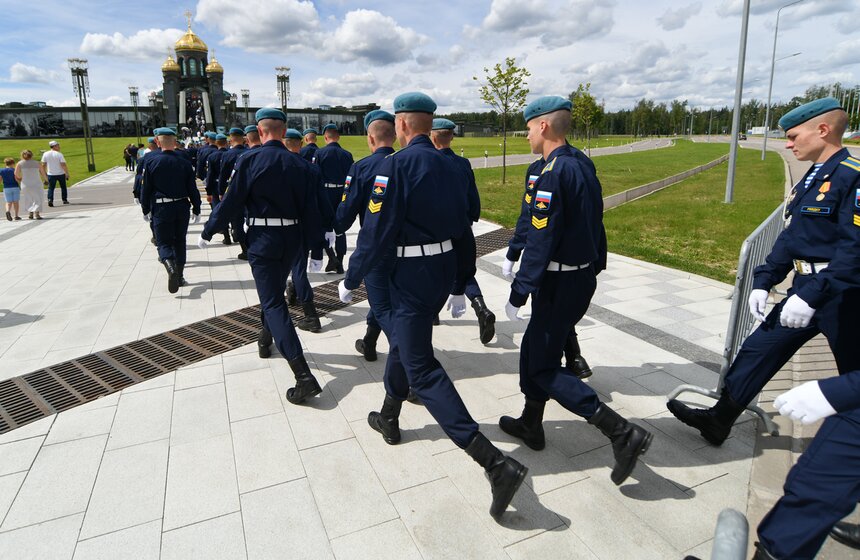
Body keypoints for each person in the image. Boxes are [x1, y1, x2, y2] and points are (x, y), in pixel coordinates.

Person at [338, 92, 527, 519]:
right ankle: (389, 414)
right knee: (407, 344)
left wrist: (351, 279)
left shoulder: (393, 167)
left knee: (421, 367)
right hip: (441, 273)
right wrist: (461, 280)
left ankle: (493, 463)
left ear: (402, 125)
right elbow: (464, 228)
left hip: (408, 278)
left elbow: (375, 232)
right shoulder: (452, 165)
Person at [667, 97, 860, 449]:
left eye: (793, 135)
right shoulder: (813, 177)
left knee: (854, 376)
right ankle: (719, 420)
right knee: (757, 350)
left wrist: (814, 294)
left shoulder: (852, 176)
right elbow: (793, 236)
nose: (788, 143)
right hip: (804, 289)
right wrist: (763, 280)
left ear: (823, 129)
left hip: (843, 297)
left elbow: (855, 250)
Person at [499, 96, 651, 486]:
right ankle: (532, 423)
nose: (527, 134)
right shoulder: (580, 162)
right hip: (577, 277)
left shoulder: (553, 173)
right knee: (535, 351)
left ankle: (620, 432)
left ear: (545, 126)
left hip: (558, 281)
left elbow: (542, 239)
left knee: (542, 366)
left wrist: (519, 291)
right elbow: (594, 223)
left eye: (530, 127)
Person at [198, 108, 326, 404]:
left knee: (272, 302)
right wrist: (316, 249)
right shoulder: (302, 164)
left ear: (258, 129)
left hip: (264, 241)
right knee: (273, 296)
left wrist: (209, 231)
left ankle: (303, 376)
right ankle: (265, 339)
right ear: (283, 131)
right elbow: (312, 212)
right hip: (292, 239)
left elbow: (231, 203)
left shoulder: (250, 160)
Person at [501, 158, 594, 378]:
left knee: (541, 349)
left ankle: (566, 361)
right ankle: (566, 359)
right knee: (546, 317)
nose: (527, 136)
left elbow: (592, 217)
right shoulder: (536, 169)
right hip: (545, 264)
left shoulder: (577, 164)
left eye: (530, 129)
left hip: (565, 261)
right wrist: (514, 251)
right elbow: (528, 214)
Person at [334, 110, 397, 361]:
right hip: (407, 249)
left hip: (376, 250)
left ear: (370, 138)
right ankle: (369, 342)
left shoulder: (361, 167)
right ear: (394, 135)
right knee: (384, 298)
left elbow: (345, 213)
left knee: (383, 307)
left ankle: (411, 371)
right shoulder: (406, 163)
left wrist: (333, 227)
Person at [430, 118, 496, 344]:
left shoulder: (429, 162)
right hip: (463, 227)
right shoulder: (463, 163)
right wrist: (470, 219)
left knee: (434, 272)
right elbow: (472, 197)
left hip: (438, 231)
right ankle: (481, 308)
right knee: (465, 271)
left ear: (432, 136)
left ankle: (432, 313)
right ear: (452, 137)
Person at [139, 127, 201, 294]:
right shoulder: (184, 161)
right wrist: (197, 207)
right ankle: (179, 275)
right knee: (180, 241)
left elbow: (146, 189)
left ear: (157, 142)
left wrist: (145, 208)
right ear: (175, 142)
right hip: (182, 206)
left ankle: (170, 267)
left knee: (164, 242)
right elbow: (192, 188)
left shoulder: (151, 161)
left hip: (161, 206)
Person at [282, 127, 331, 333]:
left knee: (288, 270)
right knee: (298, 268)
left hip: (277, 227)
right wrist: (329, 226)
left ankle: (311, 315)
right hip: (302, 226)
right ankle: (294, 293)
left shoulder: (277, 164)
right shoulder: (311, 169)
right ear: (300, 144)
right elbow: (322, 202)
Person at [314, 123, 354, 273]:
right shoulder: (347, 154)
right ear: (338, 137)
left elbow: (315, 175)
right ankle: (341, 262)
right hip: (342, 193)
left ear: (325, 137)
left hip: (325, 193)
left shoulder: (319, 153)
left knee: (324, 227)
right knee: (340, 229)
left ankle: (332, 257)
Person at [218, 127, 249, 259]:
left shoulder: (227, 155)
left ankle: (245, 249)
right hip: (250, 191)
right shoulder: (250, 152)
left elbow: (223, 175)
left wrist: (220, 192)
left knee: (237, 221)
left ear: (231, 138)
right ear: (243, 138)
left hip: (233, 192)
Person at [205, 133, 232, 244]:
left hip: (216, 187)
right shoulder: (231, 154)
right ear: (226, 142)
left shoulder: (212, 156)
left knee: (219, 211)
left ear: (216, 143)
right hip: (231, 185)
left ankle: (226, 236)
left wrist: (209, 192)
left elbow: (210, 176)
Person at [15, 150, 46, 220]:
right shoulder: (37, 163)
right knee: (38, 198)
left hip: (26, 183)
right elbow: (43, 173)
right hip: (37, 183)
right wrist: (46, 180)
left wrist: (20, 179)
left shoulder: (19, 163)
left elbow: (16, 174)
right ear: (32, 155)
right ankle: (37, 213)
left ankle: (30, 213)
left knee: (28, 198)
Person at [40, 140, 69, 207]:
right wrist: (66, 173)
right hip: (60, 173)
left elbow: (43, 164)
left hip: (51, 174)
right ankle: (64, 199)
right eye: (58, 145)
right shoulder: (59, 154)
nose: (59, 146)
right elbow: (63, 164)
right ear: (54, 146)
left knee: (51, 188)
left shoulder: (46, 154)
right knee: (63, 187)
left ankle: (50, 199)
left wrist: (44, 174)